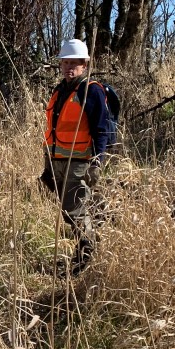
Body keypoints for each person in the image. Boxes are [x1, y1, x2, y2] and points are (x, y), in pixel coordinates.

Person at [40, 38, 113, 275]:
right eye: (65, 62)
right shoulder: (61, 90)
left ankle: (84, 261)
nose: (69, 67)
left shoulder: (91, 90)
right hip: (57, 161)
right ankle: (84, 254)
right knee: (69, 211)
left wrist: (97, 162)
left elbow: (101, 130)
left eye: (75, 63)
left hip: (79, 163)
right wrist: (48, 167)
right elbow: (52, 131)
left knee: (76, 213)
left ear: (85, 65)